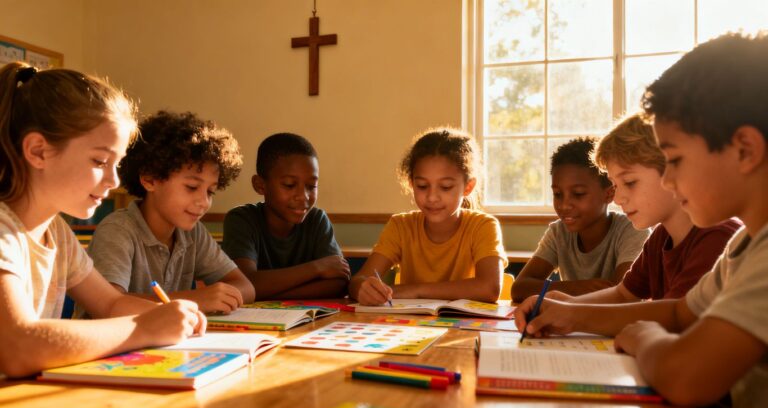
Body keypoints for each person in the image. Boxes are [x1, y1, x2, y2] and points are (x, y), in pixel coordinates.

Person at [515, 33, 768, 408]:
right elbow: (680, 312)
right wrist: (571, 313)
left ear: (745, 150)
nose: (668, 181)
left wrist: (643, 337)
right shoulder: (746, 245)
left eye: (676, 160)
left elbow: (686, 376)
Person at [0, 63, 204, 377]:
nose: (114, 180)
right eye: (100, 161)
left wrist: (170, 317)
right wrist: (143, 328)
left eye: (117, 164)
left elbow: (109, 304)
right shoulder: (4, 231)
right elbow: (18, 347)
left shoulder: (56, 232)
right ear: (38, 151)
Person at [551, 114, 740, 304]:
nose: (617, 198)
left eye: (630, 182)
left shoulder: (717, 236)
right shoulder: (661, 237)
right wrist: (563, 304)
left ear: (672, 171)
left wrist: (570, 312)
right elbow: (623, 294)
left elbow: (676, 315)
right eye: (615, 185)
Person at [88, 111, 254, 314]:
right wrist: (194, 300)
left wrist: (218, 295)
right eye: (192, 187)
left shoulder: (192, 233)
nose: (204, 202)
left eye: (210, 191)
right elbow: (106, 305)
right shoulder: (118, 230)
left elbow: (246, 287)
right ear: (150, 179)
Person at [349, 127, 508, 306]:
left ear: (468, 187)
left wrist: (416, 291)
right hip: (410, 327)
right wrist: (363, 288)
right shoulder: (401, 225)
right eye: (423, 186)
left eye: (446, 187)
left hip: (465, 327)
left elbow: (490, 288)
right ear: (411, 184)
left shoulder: (483, 226)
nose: (432, 197)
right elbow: (358, 280)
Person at [512, 137, 650, 302]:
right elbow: (519, 288)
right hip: (574, 322)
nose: (564, 205)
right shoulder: (559, 232)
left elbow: (622, 296)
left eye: (578, 194)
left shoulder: (631, 230)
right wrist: (577, 287)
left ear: (609, 194)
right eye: (557, 194)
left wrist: (561, 292)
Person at [222, 132, 349, 299]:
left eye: (311, 186)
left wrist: (265, 293)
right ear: (260, 185)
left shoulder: (317, 220)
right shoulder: (241, 219)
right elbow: (245, 282)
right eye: (289, 185)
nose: (303, 196)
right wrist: (317, 268)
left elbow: (339, 283)